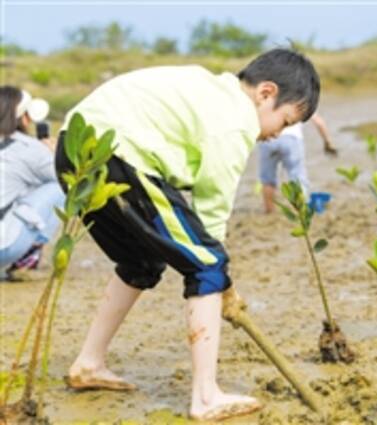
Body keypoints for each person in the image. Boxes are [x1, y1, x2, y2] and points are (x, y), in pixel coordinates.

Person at [54, 49, 320, 421]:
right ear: (265, 93)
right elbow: (211, 220)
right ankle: (206, 396)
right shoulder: (236, 121)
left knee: (141, 261)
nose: (278, 133)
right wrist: (220, 281)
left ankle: (88, 363)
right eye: (286, 120)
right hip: (117, 153)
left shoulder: (213, 91)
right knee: (208, 265)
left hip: (74, 148)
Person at [0, 87, 64, 281]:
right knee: (60, 185)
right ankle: (28, 257)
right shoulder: (30, 148)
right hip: (3, 248)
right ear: (25, 118)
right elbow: (65, 177)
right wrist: (54, 155)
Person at [259, 112, 337, 213]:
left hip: (267, 138)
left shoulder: (267, 98)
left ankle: (269, 212)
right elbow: (318, 122)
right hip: (291, 139)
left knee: (267, 180)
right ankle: (301, 211)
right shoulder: (298, 97)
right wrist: (328, 142)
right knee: (297, 176)